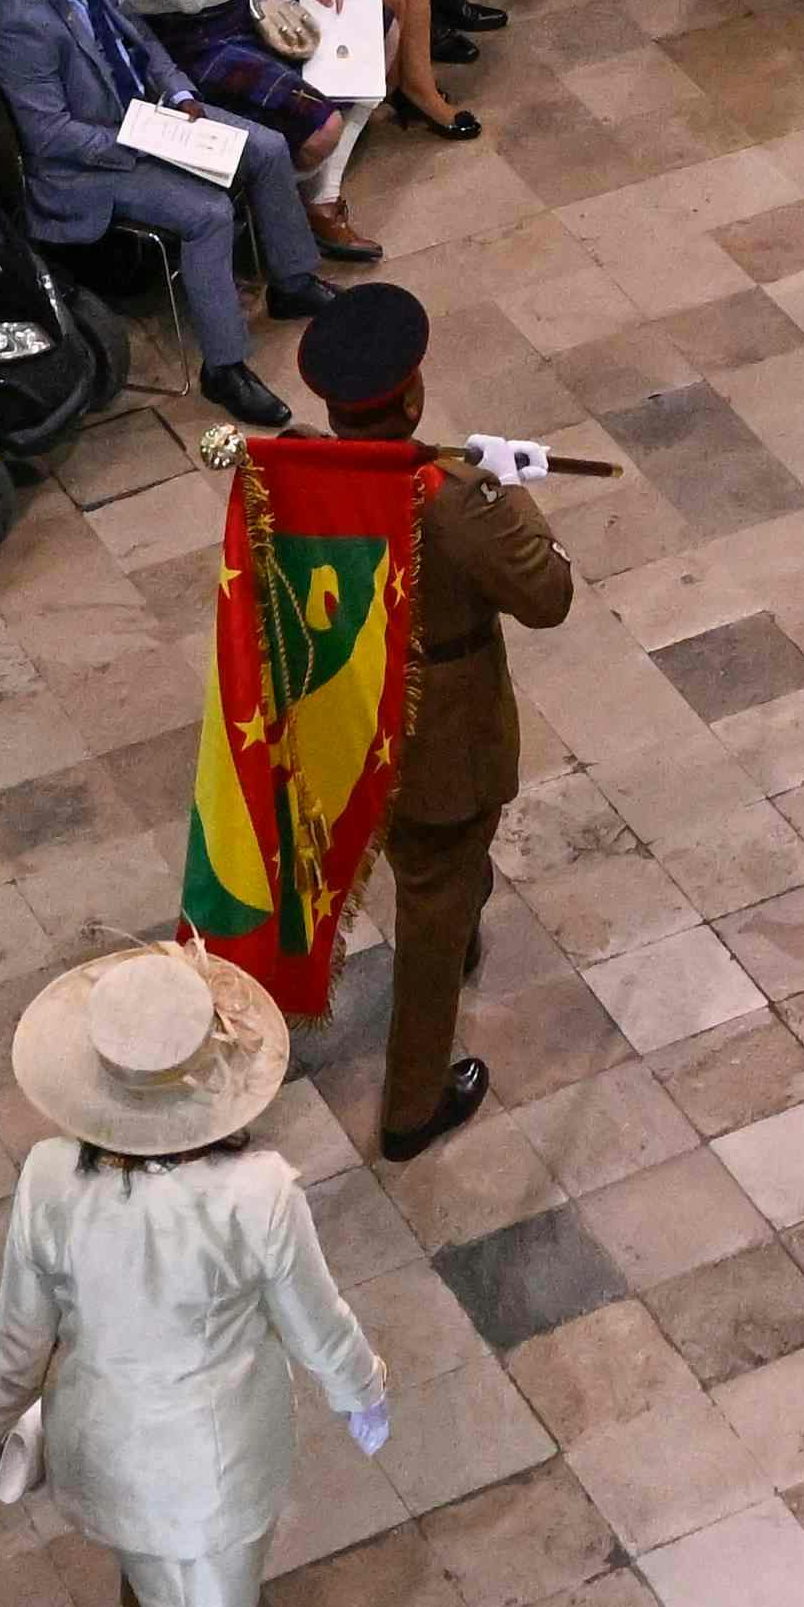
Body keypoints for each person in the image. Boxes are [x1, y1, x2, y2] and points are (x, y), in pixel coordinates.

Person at [0, 941, 391, 1607]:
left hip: (97, 1444)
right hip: (210, 1479)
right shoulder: (257, 1195)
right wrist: (364, 1392)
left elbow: (17, 1334)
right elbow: (317, 1327)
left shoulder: (49, 1176)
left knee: (136, 1566)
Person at [298, 277, 567, 1163]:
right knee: (435, 891)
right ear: (412, 393)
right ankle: (412, 1102)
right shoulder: (451, 496)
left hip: (354, 712)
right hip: (440, 730)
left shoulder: (306, 473)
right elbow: (547, 596)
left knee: (434, 864)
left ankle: (459, 921)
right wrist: (503, 487)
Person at [0, 0, 325, 421]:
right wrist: (137, 143)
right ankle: (225, 370)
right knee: (208, 213)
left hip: (149, 115)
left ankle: (291, 281)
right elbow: (48, 135)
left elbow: (142, 40)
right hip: (89, 163)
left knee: (265, 147)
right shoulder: (20, 21)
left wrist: (182, 94)